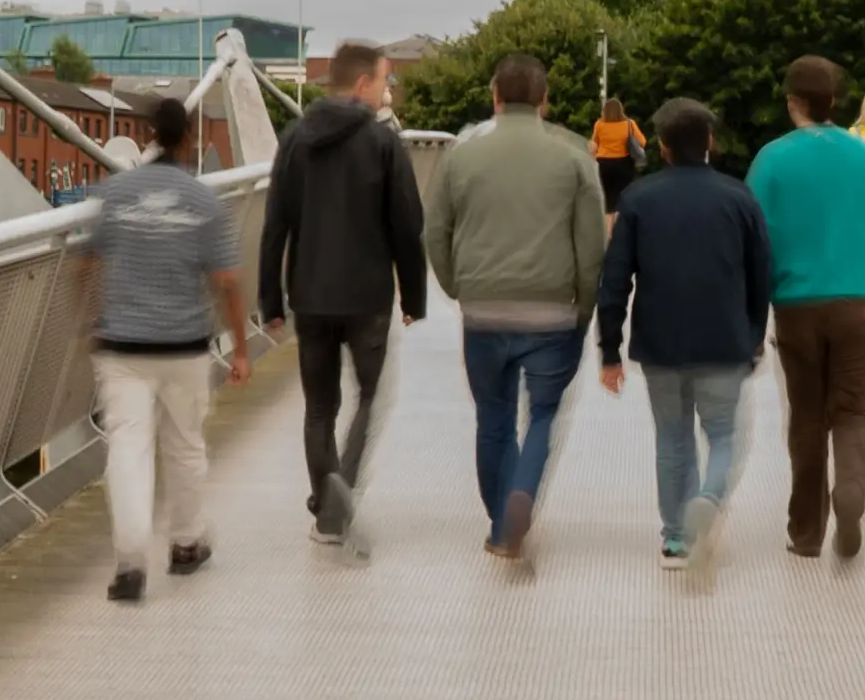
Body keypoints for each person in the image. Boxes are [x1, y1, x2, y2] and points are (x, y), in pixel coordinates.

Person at [423, 50, 605, 559]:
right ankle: (525, 488)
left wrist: (458, 286)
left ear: (494, 96)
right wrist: (585, 305)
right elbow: (591, 244)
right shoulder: (574, 155)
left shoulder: (460, 153)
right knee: (542, 413)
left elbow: (434, 231)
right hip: (552, 309)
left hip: (483, 309)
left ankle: (502, 523)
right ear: (545, 101)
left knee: (494, 417)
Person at [78, 98, 252, 603]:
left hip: (123, 344)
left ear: (148, 134)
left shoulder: (116, 193)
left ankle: (131, 562)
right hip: (184, 344)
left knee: (129, 448)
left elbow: (86, 263)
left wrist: (86, 321)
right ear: (188, 138)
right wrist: (241, 347)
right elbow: (226, 281)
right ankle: (185, 543)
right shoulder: (203, 200)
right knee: (185, 446)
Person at [259, 40, 427, 542]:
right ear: (361, 85)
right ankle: (342, 488)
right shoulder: (383, 143)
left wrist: (271, 300)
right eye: (383, 81)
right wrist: (413, 296)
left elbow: (274, 227)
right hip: (368, 296)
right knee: (371, 395)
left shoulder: (293, 139)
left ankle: (326, 505)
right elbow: (407, 225)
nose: (386, 90)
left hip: (310, 295)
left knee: (318, 409)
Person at [595, 98, 772, 575]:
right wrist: (755, 334)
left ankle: (675, 537)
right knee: (723, 435)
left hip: (661, 342)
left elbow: (615, 280)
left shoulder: (638, 198)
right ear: (710, 142)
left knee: (672, 439)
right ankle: (709, 501)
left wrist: (609, 349)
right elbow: (761, 274)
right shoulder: (739, 197)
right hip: (724, 340)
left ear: (663, 147)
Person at [747, 54, 865, 559]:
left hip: (795, 304)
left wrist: (755, 313)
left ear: (792, 102)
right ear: (835, 102)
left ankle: (807, 531)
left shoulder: (771, 159)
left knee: (807, 415)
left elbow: (754, 244)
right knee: (856, 408)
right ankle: (853, 488)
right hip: (861, 304)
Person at [588, 97, 647, 220]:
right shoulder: (629, 124)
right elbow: (642, 141)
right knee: (623, 198)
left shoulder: (599, 124)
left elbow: (594, 145)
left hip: (603, 165)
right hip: (623, 164)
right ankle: (618, 228)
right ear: (621, 110)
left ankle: (608, 232)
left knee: (607, 202)